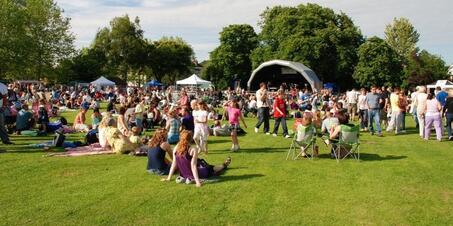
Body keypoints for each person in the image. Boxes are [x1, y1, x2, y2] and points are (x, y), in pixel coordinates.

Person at [162, 130, 232, 187]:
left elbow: (174, 164)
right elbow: (193, 166)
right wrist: (197, 182)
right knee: (210, 168)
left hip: (183, 174)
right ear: (190, 138)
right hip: (195, 174)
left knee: (205, 165)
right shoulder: (193, 149)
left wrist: (169, 178)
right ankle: (224, 165)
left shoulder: (176, 148)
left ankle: (223, 165)